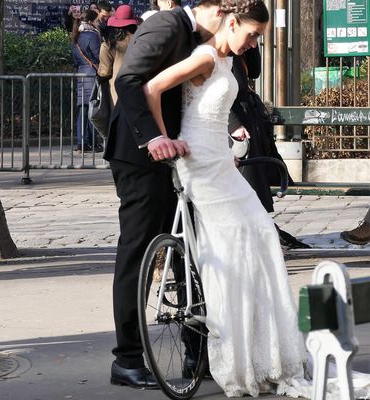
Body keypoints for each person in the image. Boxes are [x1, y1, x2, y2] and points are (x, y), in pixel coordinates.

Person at [143, 1, 370, 397]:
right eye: (250, 34)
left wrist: (228, 142)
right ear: (231, 23)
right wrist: (163, 138)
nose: (253, 43)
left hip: (221, 159)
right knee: (237, 246)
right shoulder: (205, 56)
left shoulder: (229, 61)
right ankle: (236, 354)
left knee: (263, 236)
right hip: (197, 164)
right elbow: (153, 87)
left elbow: (215, 113)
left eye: (258, 38)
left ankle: (264, 350)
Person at [106, 0, 224, 389]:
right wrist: (154, 137)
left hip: (176, 156)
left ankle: (196, 351)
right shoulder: (168, 24)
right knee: (137, 252)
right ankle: (126, 358)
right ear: (213, 7)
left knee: (186, 249)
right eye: (226, 13)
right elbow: (128, 80)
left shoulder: (202, 38)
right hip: (139, 154)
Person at [228, 47, 310, 249]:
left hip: (251, 121)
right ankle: (257, 238)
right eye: (253, 34)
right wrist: (233, 124)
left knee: (256, 184)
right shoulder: (216, 47)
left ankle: (261, 234)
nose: (253, 39)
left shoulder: (239, 48)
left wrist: (251, 48)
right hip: (236, 125)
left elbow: (255, 71)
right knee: (247, 184)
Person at [71, 10, 103, 153]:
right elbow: (98, 56)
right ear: (91, 21)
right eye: (97, 20)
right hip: (92, 74)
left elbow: (75, 60)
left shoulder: (76, 36)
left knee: (82, 110)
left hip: (81, 74)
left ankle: (81, 143)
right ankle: (91, 142)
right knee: (92, 110)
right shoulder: (92, 35)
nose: (98, 23)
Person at [98, 5, 140, 108]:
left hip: (116, 95)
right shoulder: (141, 42)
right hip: (139, 92)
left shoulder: (108, 45)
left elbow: (105, 72)